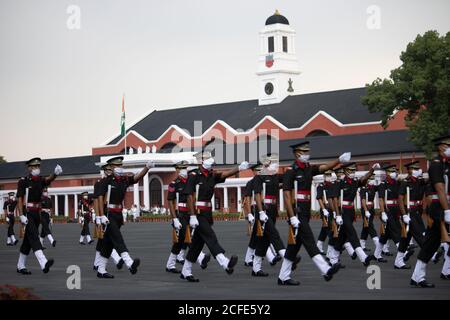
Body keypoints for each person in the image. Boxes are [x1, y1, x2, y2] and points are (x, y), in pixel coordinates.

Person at [277, 141, 346, 285]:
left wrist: (338, 160)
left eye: (308, 152)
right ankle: (326, 270)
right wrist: (292, 216)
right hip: (297, 212)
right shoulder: (291, 171)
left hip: (305, 211)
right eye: (304, 152)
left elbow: (325, 167)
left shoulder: (308, 168)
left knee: (293, 247)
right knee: (309, 241)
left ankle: (283, 277)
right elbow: (287, 196)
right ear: (297, 154)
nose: (307, 154)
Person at [179, 149, 249, 282]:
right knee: (210, 236)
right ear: (201, 161)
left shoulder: (211, 175)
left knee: (196, 245)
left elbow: (224, 174)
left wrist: (238, 168)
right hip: (197, 213)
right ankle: (225, 263)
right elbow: (189, 196)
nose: (211, 160)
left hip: (206, 214)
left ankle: (185, 271)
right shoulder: (193, 175)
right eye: (207, 158)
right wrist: (192, 215)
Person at [96, 156, 152, 278]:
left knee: (108, 243)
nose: (119, 168)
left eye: (121, 165)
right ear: (111, 167)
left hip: (118, 214)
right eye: (117, 166)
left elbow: (136, 178)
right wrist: (101, 215)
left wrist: (146, 168)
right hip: (108, 214)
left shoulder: (123, 180)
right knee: (117, 238)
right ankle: (130, 263)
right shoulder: (106, 181)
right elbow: (100, 198)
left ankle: (101, 269)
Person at [410, 135, 450, 287]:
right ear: (440, 147)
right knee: (432, 243)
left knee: (431, 243)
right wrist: (447, 211)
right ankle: (419, 276)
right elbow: (439, 188)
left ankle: (417, 276)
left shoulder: (447, 164)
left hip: (444, 206)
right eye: (447, 145)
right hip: (438, 206)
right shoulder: (436, 164)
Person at [16, 158, 62, 274]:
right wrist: (21, 214)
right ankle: (44, 263)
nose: (37, 169)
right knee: (34, 236)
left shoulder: (40, 180)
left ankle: (20, 265)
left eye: (38, 167)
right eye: (35, 167)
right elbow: (19, 198)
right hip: (28, 212)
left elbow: (48, 180)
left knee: (28, 240)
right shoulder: (24, 181)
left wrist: (55, 174)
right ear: (29, 168)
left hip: (37, 212)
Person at [165, 161, 210, 274]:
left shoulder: (190, 181)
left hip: (190, 214)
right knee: (188, 236)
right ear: (177, 170)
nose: (184, 170)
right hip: (180, 215)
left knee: (179, 242)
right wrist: (174, 219)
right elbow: (170, 202)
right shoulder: (174, 184)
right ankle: (201, 257)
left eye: (185, 168)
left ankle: (170, 265)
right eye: (181, 168)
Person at [251, 154, 286, 277]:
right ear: (267, 164)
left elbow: (288, 178)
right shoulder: (259, 177)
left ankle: (256, 268)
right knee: (274, 234)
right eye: (273, 162)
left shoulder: (275, 177)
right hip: (263, 210)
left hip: (272, 210)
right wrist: (260, 212)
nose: (276, 164)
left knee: (264, 240)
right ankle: (286, 256)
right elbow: (257, 195)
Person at [92, 164, 124, 278]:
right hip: (102, 215)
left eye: (112, 170)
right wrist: (97, 215)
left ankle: (97, 264)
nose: (110, 171)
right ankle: (117, 259)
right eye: (108, 170)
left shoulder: (114, 182)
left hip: (110, 214)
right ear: (105, 171)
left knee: (103, 240)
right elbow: (96, 199)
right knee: (107, 239)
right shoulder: (100, 182)